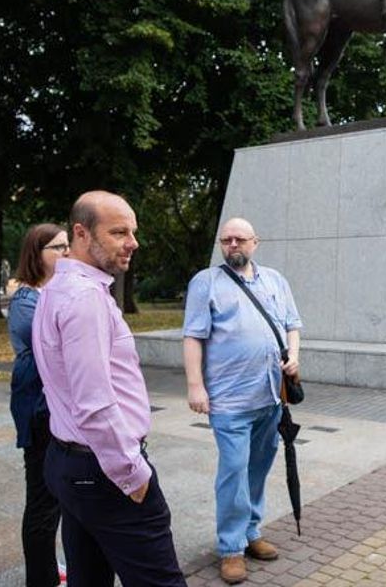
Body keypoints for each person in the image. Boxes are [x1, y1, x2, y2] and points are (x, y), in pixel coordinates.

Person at [32, 191, 185, 587]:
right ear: (81, 234)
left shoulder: (57, 289)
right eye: (119, 232)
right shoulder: (84, 299)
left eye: (133, 231)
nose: (132, 242)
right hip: (104, 471)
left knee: (89, 579)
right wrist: (133, 475)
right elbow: (95, 406)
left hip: (71, 463)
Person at [182, 218, 302, 585]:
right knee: (233, 472)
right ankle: (230, 548)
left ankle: (251, 532)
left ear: (255, 242)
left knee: (257, 469)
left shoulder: (275, 280)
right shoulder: (207, 282)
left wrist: (294, 356)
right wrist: (195, 385)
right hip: (230, 400)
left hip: (270, 397)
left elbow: (292, 324)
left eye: (240, 239)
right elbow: (193, 336)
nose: (233, 245)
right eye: (227, 240)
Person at [8, 223, 69, 587]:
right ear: (36, 254)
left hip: (56, 408)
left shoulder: (51, 294)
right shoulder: (26, 300)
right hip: (39, 411)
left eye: (66, 246)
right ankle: (41, 580)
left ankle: (50, 569)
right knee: (43, 501)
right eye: (56, 247)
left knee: (57, 498)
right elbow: (58, 345)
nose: (65, 252)